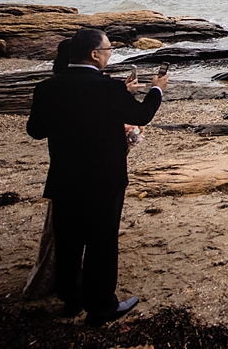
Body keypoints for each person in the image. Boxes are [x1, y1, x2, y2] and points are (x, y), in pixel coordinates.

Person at [26, 28, 169, 326]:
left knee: (69, 241)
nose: (109, 55)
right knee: (101, 243)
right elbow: (141, 116)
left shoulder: (47, 88)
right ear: (94, 54)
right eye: (107, 51)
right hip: (104, 178)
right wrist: (157, 89)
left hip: (64, 177)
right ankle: (101, 306)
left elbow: (36, 130)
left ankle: (70, 298)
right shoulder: (107, 88)